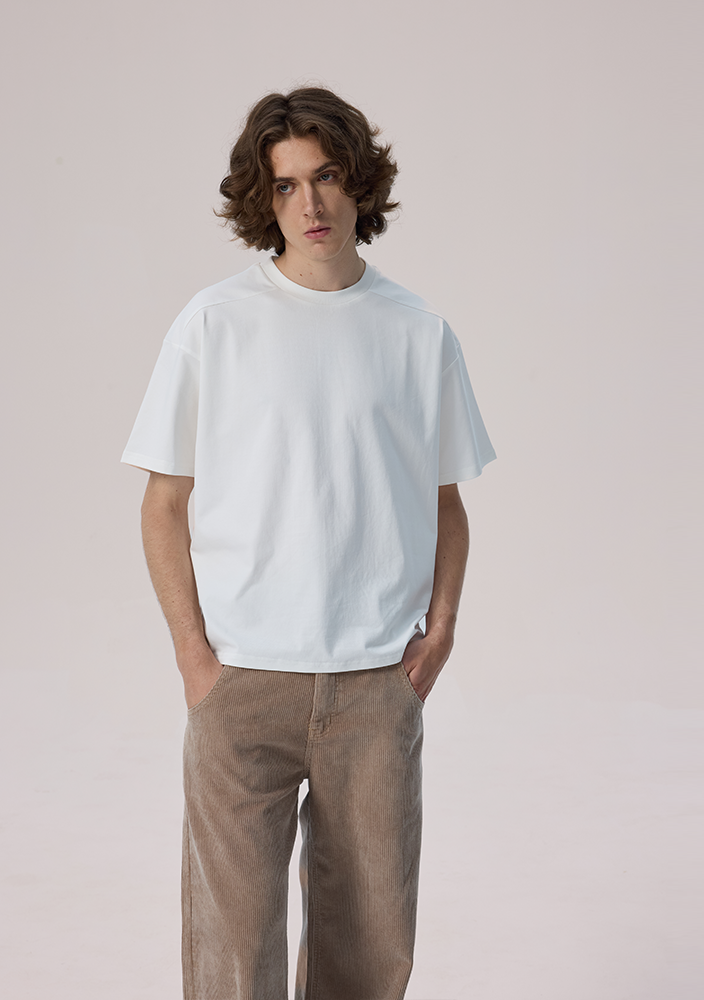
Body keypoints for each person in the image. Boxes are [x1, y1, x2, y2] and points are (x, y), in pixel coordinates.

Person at [122, 87, 494, 1000]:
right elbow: (164, 504)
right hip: (242, 684)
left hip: (375, 685)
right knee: (232, 955)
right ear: (265, 199)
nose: (311, 204)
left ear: (360, 181)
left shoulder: (419, 333)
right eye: (286, 185)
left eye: (326, 177)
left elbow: (446, 500)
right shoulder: (214, 323)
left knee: (369, 954)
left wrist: (441, 630)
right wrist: (195, 660)